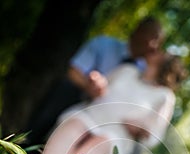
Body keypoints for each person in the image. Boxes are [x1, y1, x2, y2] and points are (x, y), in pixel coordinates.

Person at [39, 52, 187, 154]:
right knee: (74, 124)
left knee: (102, 141)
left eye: (162, 53)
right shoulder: (127, 70)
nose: (155, 51)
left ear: (165, 64)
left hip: (116, 136)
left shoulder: (165, 96)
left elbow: (154, 135)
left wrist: (140, 129)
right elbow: (97, 89)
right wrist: (95, 85)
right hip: (90, 115)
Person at [25, 16, 165, 147]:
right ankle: (29, 143)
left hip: (112, 122)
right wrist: (89, 87)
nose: (155, 46)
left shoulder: (145, 72)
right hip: (81, 98)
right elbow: (73, 72)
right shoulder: (103, 45)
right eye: (153, 38)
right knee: (65, 90)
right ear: (138, 31)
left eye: (159, 42)